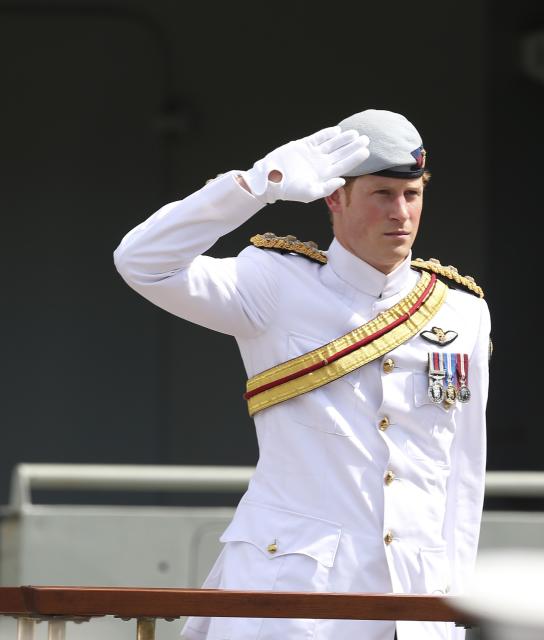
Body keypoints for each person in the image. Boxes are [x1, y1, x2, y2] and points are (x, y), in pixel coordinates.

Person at [114, 109, 492, 640]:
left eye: (413, 194)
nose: (401, 213)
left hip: (413, 601)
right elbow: (142, 262)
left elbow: (461, 472)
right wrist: (256, 185)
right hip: (292, 599)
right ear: (334, 198)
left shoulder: (460, 311)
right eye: (382, 193)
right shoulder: (273, 282)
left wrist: (452, 607)